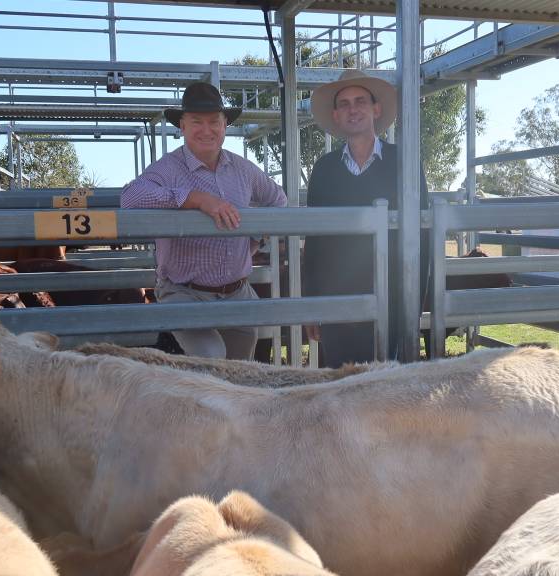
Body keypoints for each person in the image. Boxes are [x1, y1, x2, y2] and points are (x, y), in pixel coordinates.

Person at [121, 82, 287, 359]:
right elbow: (130, 196)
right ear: (182, 127)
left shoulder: (243, 169)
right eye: (196, 121)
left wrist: (255, 239)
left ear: (225, 126)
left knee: (240, 365)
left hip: (237, 291)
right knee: (211, 355)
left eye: (214, 122)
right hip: (184, 291)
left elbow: (277, 199)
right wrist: (196, 199)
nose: (206, 130)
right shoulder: (169, 168)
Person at [303, 68, 429, 366]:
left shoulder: (405, 163)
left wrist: (416, 298)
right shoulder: (324, 169)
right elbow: (314, 240)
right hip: (337, 301)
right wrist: (311, 303)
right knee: (341, 391)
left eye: (360, 101)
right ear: (335, 115)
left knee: (389, 392)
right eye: (344, 104)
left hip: (393, 297)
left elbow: (421, 234)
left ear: (376, 109)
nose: (353, 109)